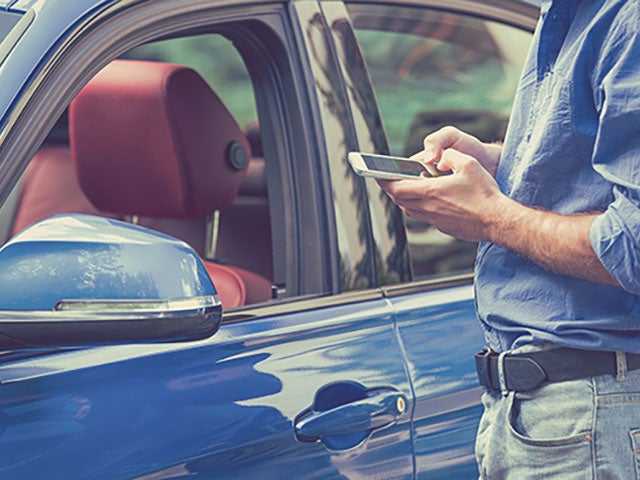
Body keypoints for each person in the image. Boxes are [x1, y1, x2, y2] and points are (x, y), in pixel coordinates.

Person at [378, 0, 640, 478]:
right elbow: (585, 165)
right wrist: (499, 162)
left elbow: (634, 246)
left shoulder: (628, 20)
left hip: (588, 411)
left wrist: (491, 217)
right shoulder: (562, 15)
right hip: (534, 409)